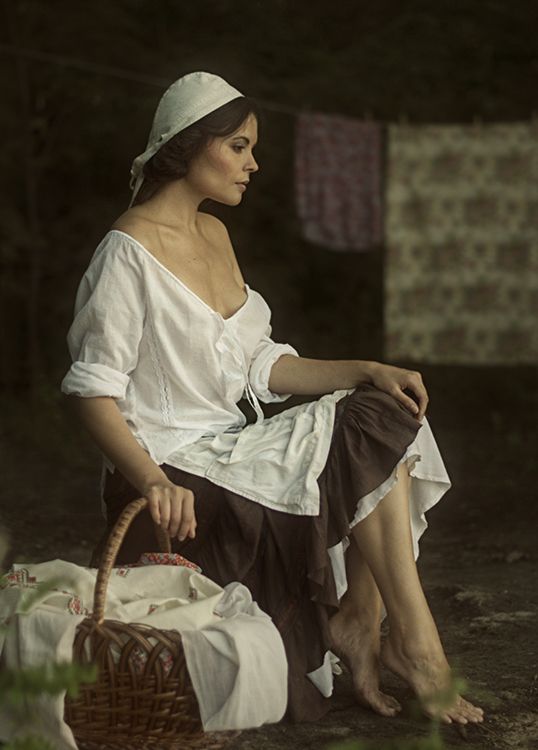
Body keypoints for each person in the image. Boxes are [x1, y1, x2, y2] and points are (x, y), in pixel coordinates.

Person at [61, 71, 484, 727]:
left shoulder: (214, 235)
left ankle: (368, 620)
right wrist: (151, 480)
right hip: (172, 479)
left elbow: (262, 364)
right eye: (239, 146)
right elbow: (92, 391)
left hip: (228, 453)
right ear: (188, 145)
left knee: (385, 409)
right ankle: (417, 650)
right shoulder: (127, 253)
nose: (252, 164)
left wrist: (367, 369)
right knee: (367, 430)